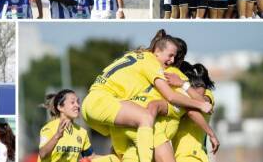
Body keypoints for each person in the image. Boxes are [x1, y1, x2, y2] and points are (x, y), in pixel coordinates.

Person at [81, 29, 212, 162]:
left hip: (100, 107)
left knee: (122, 156)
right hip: (109, 105)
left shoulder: (136, 55)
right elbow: (169, 99)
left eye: (174, 56)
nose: (172, 60)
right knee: (146, 117)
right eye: (171, 55)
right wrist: (201, 107)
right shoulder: (160, 69)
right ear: (158, 51)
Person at [38, 89, 120, 162]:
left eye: (78, 102)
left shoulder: (82, 132)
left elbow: (91, 157)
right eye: (72, 102)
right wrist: (57, 136)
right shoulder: (48, 128)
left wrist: (114, 158)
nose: (77, 105)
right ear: (60, 107)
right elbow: (42, 154)